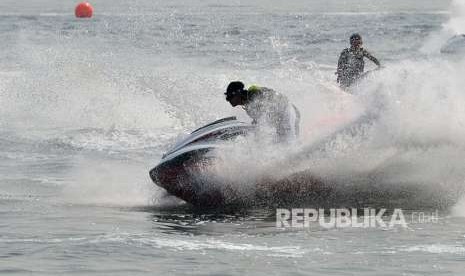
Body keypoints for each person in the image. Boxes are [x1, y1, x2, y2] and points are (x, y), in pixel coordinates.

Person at [224, 81, 300, 143]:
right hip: (280, 118)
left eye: (230, 97)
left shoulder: (253, 93)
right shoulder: (248, 107)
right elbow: (259, 121)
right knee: (279, 144)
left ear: (237, 94)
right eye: (227, 97)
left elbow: (264, 103)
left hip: (287, 111)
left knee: (289, 143)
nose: (228, 100)